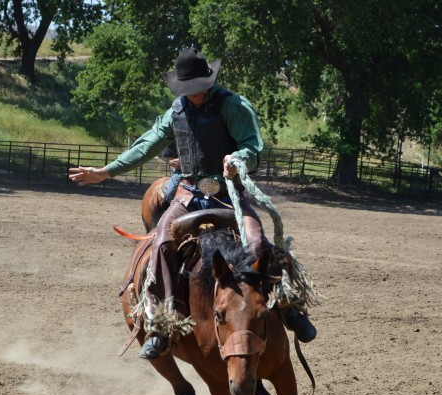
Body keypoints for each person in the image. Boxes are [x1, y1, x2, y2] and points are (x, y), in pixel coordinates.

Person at [69, 48, 316, 359]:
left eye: (198, 86)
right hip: (188, 193)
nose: (194, 94)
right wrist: (106, 171)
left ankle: (287, 306)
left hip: (230, 193)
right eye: (188, 89)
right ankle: (164, 322)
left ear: (209, 81)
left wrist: (238, 159)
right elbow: (147, 144)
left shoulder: (233, 106)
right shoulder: (175, 112)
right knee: (161, 244)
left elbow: (252, 144)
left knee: (257, 244)